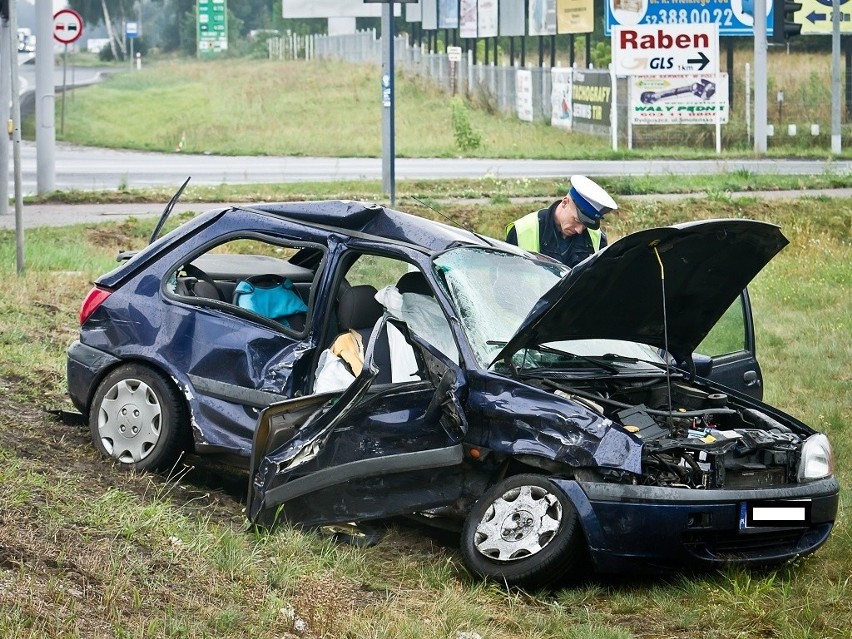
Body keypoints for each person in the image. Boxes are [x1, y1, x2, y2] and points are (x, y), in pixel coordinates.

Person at [505, 175, 617, 268]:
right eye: (577, 220)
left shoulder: (598, 238)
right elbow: (504, 279)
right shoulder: (521, 231)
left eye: (585, 226)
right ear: (564, 203)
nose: (579, 230)